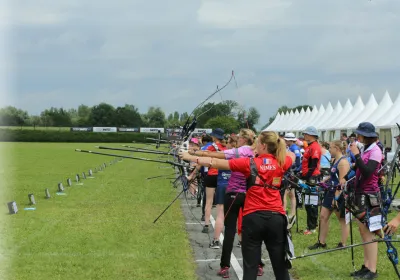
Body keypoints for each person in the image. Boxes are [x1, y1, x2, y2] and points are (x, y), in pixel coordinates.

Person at [180, 131, 295, 280]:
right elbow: (292, 156)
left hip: (253, 218)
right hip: (276, 219)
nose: (255, 146)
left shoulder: (249, 162)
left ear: (264, 146)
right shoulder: (282, 161)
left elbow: (215, 163)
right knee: (280, 267)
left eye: (258, 143)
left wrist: (190, 157)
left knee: (250, 267)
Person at [348, 122, 383, 279]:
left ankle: (372, 269)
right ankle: (366, 266)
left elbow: (368, 172)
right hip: (361, 193)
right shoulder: (366, 149)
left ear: (366, 136)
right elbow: (361, 167)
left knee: (371, 232)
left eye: (359, 134)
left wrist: (355, 155)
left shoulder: (375, 150)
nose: (357, 137)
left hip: (370, 196)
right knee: (364, 232)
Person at [308, 140, 350, 250]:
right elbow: (334, 176)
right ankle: (321, 242)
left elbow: (342, 181)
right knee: (323, 216)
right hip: (330, 191)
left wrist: (336, 197)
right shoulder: (335, 160)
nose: (329, 150)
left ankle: (343, 243)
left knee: (342, 220)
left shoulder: (343, 162)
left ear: (336, 148)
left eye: (331, 148)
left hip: (337, 194)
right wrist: (326, 179)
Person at [202, 128, 226, 234]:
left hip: (212, 174)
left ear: (214, 137)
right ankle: (223, 225)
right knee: (221, 204)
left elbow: (205, 160)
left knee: (209, 201)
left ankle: (206, 225)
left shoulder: (211, 147)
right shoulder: (226, 148)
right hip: (223, 175)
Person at [300, 126, 322, 235]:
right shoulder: (309, 146)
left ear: (311, 135)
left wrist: (306, 177)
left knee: (312, 204)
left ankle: (313, 227)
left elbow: (313, 165)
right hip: (308, 176)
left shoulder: (315, 147)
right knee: (308, 203)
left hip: (312, 178)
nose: (304, 136)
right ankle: (310, 226)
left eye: (306, 134)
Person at [283, 132, 301, 229]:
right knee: (292, 194)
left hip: (292, 173)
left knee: (286, 193)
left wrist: (291, 168)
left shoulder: (294, 148)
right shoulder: (292, 147)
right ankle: (292, 213)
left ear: (290, 141)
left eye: (286, 140)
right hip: (292, 173)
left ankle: (285, 211)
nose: (285, 142)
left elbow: (298, 162)